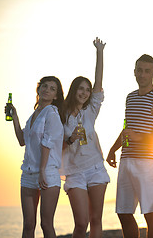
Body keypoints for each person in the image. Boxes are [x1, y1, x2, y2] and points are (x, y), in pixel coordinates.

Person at [106, 54, 153, 238]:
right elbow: (127, 129)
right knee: (124, 212)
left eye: (147, 71)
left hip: (149, 161)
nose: (142, 75)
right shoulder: (130, 97)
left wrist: (139, 137)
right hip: (126, 159)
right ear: (134, 72)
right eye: (139, 70)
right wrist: (113, 149)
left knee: (150, 213)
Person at [61, 37, 110, 238]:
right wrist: (71, 139)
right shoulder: (60, 115)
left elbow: (99, 81)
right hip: (74, 173)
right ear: (74, 90)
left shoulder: (90, 111)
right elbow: (57, 145)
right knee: (81, 223)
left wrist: (99, 52)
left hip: (96, 168)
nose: (84, 92)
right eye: (81, 88)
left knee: (96, 219)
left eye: (87, 90)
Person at [6, 76, 64, 238]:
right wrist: (15, 116)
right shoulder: (34, 115)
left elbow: (48, 143)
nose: (47, 90)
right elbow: (21, 140)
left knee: (46, 224)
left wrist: (43, 170)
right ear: (38, 89)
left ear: (56, 96)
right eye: (44, 86)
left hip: (47, 173)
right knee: (28, 225)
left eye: (52, 89)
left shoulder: (52, 113)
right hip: (28, 174)